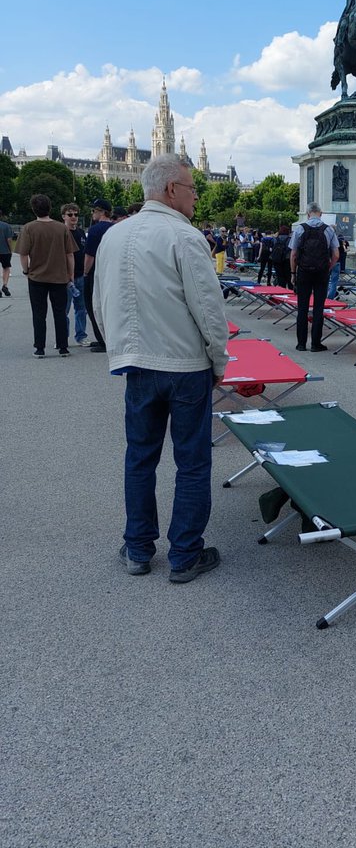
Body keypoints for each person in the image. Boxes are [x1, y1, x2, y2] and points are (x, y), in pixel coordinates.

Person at [94, 154, 229, 584]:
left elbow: (100, 300)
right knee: (191, 462)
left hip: (137, 363)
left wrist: (119, 348)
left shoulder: (114, 236)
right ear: (172, 189)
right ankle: (185, 553)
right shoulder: (184, 236)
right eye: (191, 188)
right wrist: (219, 359)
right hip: (185, 364)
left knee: (140, 457)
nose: (195, 196)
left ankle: (138, 547)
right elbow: (209, 308)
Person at [15, 193, 75, 358]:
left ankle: (39, 347)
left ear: (34, 209)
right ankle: (63, 346)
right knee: (60, 312)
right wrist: (70, 273)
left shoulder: (28, 228)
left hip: (37, 277)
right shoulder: (61, 228)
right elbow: (70, 254)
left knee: (39, 313)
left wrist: (26, 270)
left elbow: (23, 254)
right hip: (59, 276)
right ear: (50, 208)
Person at [290, 203, 339, 353]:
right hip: (321, 272)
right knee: (318, 308)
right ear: (321, 213)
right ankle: (316, 343)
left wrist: (293, 273)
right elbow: (336, 254)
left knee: (302, 308)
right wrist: (328, 267)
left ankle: (301, 344)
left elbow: (293, 254)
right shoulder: (329, 230)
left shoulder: (300, 228)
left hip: (304, 272)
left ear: (307, 213)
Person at [83, 197, 115, 353]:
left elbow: (89, 256)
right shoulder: (115, 228)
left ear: (102, 212)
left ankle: (101, 338)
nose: (92, 214)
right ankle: (107, 338)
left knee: (92, 305)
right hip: (111, 271)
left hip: (95, 271)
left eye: (94, 211)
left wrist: (85, 272)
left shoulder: (95, 230)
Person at [61, 204, 88, 345]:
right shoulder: (61, 232)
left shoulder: (81, 233)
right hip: (65, 277)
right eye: (70, 214)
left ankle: (81, 335)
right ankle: (63, 337)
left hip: (80, 274)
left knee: (81, 308)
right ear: (63, 216)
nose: (73, 217)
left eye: (76, 215)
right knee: (63, 309)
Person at [270, 225, 292, 289]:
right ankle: (291, 292)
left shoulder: (275, 239)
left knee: (280, 277)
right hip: (287, 260)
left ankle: (282, 292)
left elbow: (271, 249)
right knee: (289, 277)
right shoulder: (290, 239)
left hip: (277, 260)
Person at [0, 207, 13, 296]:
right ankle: (5, 285)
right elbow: (9, 239)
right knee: (6, 268)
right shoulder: (6, 226)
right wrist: (10, 249)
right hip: (4, 251)